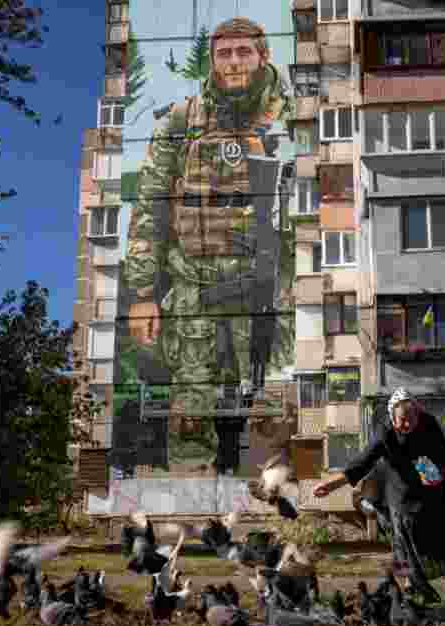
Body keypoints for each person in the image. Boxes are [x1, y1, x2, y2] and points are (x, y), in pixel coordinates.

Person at [123, 15, 295, 473]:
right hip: (193, 283)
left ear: (263, 56)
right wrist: (143, 294)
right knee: (192, 397)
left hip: (262, 287)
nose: (234, 62)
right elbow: (150, 207)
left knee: (268, 396)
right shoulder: (181, 121)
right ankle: (190, 497)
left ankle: (271, 497)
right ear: (213, 60)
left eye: (244, 51)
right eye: (224, 53)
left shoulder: (293, 118)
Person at [313, 388, 445, 602]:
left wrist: (438, 471)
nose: (407, 424)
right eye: (402, 420)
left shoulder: (428, 423)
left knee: (441, 528)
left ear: (418, 414)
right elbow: (362, 462)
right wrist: (331, 485)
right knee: (401, 534)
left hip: (430, 484)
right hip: (399, 487)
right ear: (392, 418)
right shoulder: (384, 433)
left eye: (411, 418)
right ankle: (409, 584)